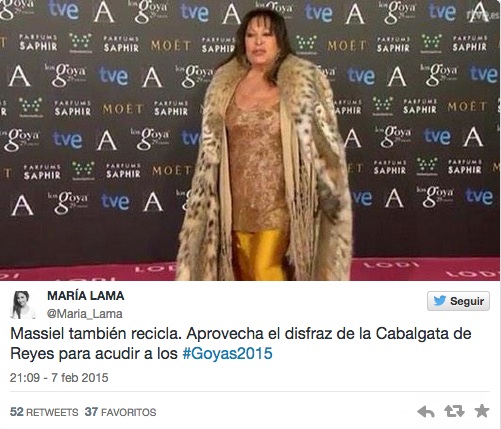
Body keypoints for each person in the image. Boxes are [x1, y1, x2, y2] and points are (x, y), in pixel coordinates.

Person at [176, 8, 352, 281]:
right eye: (251, 35)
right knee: (243, 275)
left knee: (264, 271)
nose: (258, 42)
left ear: (279, 40)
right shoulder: (224, 84)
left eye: (266, 35)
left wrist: (330, 196)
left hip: (280, 206)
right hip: (234, 206)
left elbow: (325, 146)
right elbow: (210, 153)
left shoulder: (301, 82)